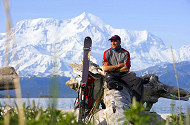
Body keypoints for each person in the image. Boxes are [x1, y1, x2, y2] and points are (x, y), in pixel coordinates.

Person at [102, 35, 143, 102]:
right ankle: (115, 85)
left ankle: (135, 103)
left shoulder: (125, 53)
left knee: (138, 81)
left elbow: (126, 69)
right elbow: (105, 68)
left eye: (115, 41)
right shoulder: (107, 53)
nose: (113, 43)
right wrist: (119, 66)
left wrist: (111, 67)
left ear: (119, 42)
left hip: (123, 75)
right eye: (111, 41)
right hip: (111, 74)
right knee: (109, 79)